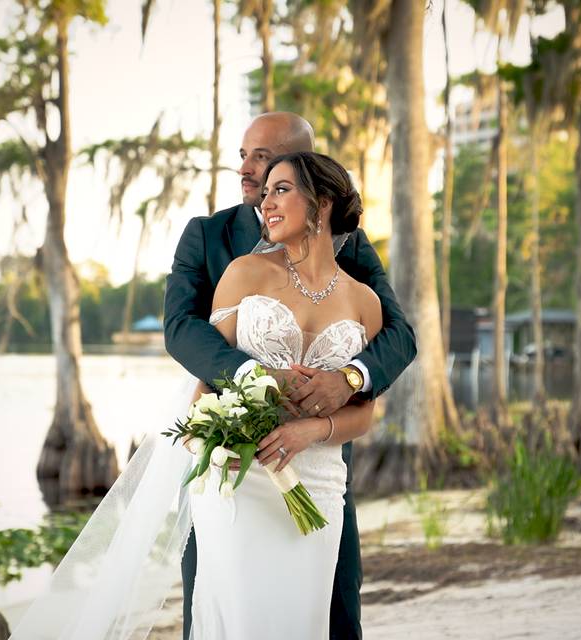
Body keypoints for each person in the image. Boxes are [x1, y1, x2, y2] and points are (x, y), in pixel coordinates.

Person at [165, 113, 416, 639]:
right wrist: (255, 378)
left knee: (332, 611)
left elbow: (398, 336)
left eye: (264, 157)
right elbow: (181, 329)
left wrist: (348, 379)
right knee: (222, 609)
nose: (247, 169)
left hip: (319, 468)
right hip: (235, 464)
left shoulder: (352, 250)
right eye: (245, 156)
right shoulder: (210, 239)